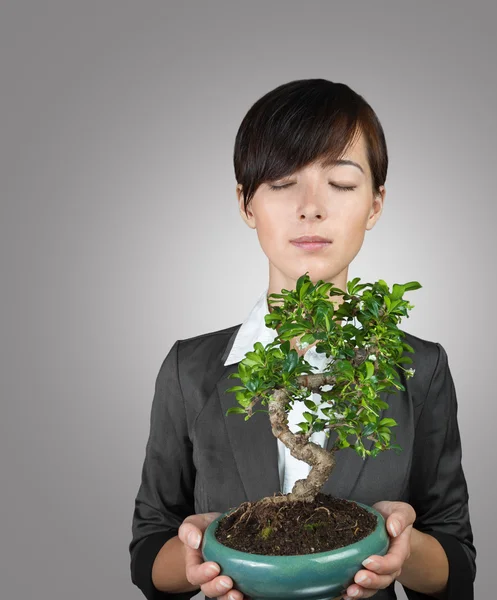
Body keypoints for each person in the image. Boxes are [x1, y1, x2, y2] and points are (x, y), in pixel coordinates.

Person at [128, 78, 476, 600]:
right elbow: (148, 549)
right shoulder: (190, 369)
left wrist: (404, 550)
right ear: (247, 204)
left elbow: (456, 560)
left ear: (375, 204)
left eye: (340, 183)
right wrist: (197, 554)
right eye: (283, 182)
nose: (311, 207)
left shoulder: (417, 368)